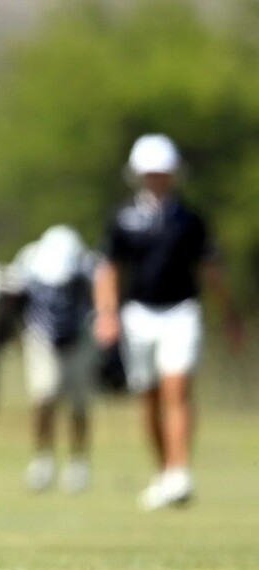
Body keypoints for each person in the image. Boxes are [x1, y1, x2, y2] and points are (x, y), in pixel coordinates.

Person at [93, 134, 243, 511]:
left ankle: (180, 471)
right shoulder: (123, 219)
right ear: (138, 176)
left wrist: (228, 315)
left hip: (181, 311)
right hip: (138, 314)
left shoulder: (190, 220)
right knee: (149, 398)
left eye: (162, 173)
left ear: (173, 175)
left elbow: (211, 270)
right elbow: (107, 269)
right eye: (149, 173)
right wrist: (107, 314)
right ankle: (163, 473)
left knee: (178, 389)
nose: (156, 180)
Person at [5, 226, 97, 493]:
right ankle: (42, 460)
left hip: (80, 336)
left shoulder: (88, 267)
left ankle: (78, 463)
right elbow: (13, 297)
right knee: (44, 396)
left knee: (79, 404)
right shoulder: (28, 261)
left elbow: (101, 300)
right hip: (41, 336)